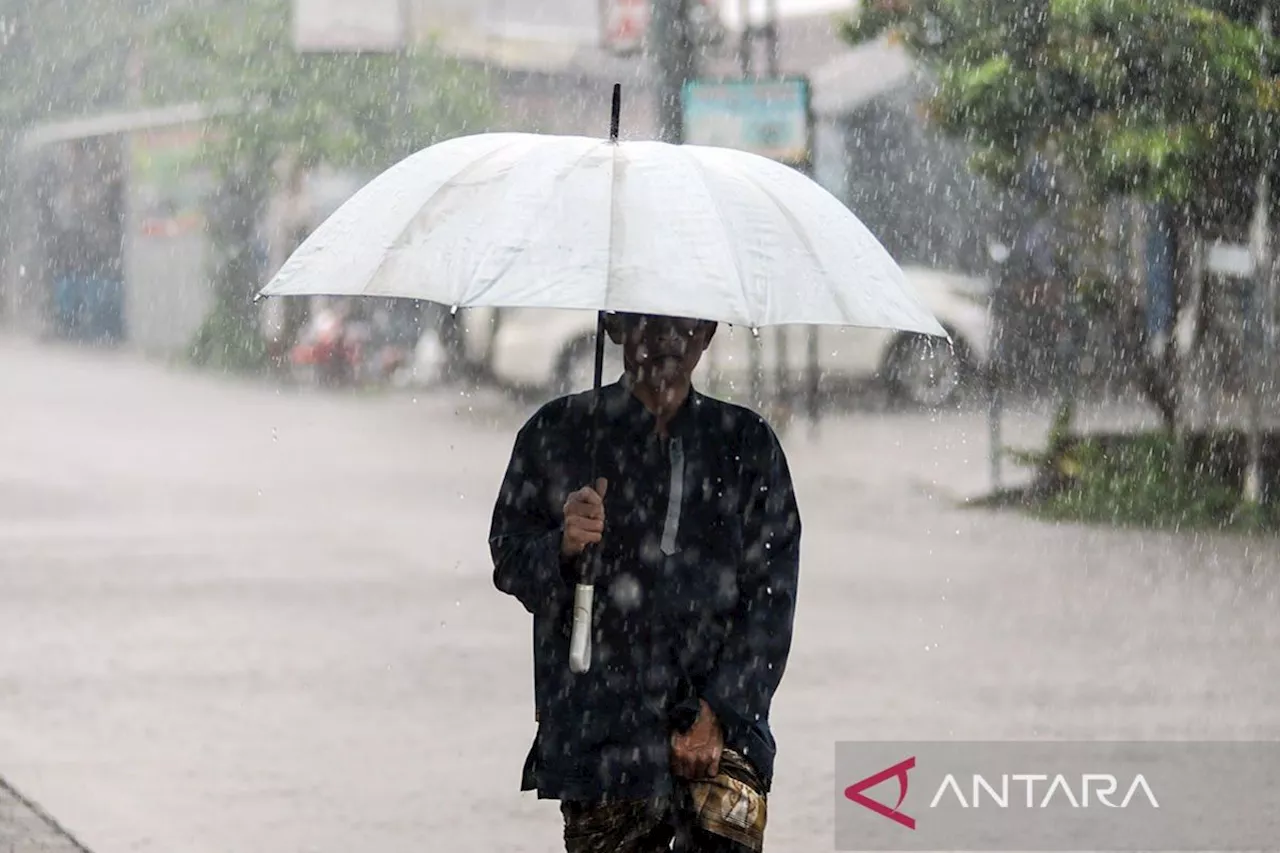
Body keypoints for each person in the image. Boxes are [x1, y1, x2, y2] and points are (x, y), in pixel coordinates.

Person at [489, 312, 802, 853]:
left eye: (686, 325)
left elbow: (771, 599)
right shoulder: (557, 434)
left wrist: (721, 711)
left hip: (724, 737)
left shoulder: (749, 446)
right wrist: (563, 546)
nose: (668, 340)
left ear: (708, 333)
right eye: (648, 322)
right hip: (599, 736)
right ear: (613, 326)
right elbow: (509, 561)